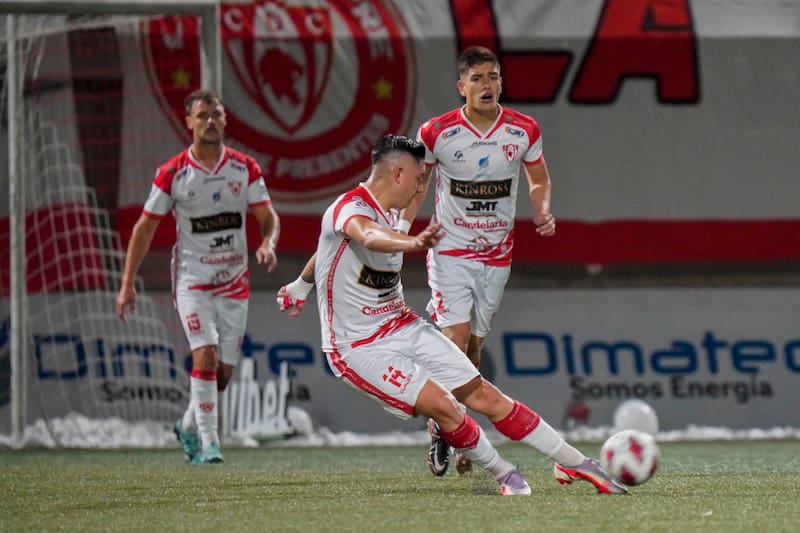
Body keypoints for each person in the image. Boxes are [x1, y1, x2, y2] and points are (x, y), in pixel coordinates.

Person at [276, 134, 625, 495]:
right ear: (397, 173)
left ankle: (578, 464)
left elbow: (326, 250)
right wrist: (411, 243)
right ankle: (505, 474)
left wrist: (301, 285)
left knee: (484, 395)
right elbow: (366, 235)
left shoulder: (394, 210)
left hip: (401, 324)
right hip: (356, 347)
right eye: (417, 178)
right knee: (443, 405)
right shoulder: (350, 209)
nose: (418, 188)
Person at [397, 46, 557, 477]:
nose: (488, 84)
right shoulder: (436, 132)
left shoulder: (523, 129)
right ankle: (457, 433)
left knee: (473, 350)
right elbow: (418, 184)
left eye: (494, 76)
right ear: (461, 86)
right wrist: (400, 234)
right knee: (454, 339)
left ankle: (441, 423)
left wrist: (542, 210)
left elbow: (538, 179)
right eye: (479, 78)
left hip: (497, 254)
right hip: (449, 250)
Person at [116, 89, 280, 464]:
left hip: (234, 280)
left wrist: (268, 242)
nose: (210, 122)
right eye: (203, 115)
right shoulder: (172, 173)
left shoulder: (244, 168)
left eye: (216, 115)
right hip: (193, 279)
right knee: (203, 354)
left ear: (224, 121)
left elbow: (268, 217)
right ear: (188, 122)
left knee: (220, 375)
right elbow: (144, 228)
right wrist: (128, 284)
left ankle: (188, 425)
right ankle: (210, 443)